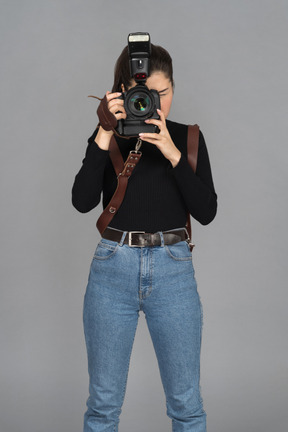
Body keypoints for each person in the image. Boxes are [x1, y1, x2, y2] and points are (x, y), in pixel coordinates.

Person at [72, 41, 217, 432]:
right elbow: (82, 202)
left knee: (186, 404)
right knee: (103, 405)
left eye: (162, 94)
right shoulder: (108, 136)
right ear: (123, 92)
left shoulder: (188, 138)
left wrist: (172, 154)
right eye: (144, 95)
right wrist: (104, 131)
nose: (153, 103)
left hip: (173, 272)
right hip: (112, 268)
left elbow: (207, 212)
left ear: (173, 89)